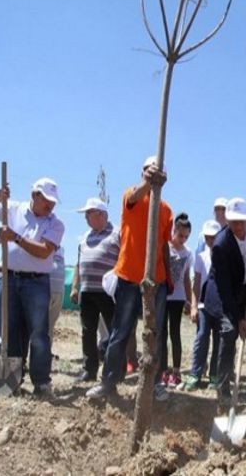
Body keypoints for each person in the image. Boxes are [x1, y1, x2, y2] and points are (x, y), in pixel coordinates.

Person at [86, 156, 172, 402]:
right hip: (129, 277)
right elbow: (135, 195)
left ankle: (155, 383)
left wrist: (168, 278)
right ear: (142, 172)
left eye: (157, 174)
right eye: (147, 171)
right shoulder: (130, 197)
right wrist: (147, 182)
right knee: (120, 331)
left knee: (155, 335)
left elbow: (164, 245)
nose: (152, 176)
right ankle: (108, 382)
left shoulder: (166, 210)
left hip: (156, 281)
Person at [0, 177, 65, 396]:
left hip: (37, 282)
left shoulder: (55, 224)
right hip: (8, 279)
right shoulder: (12, 209)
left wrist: (15, 237)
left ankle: (41, 382)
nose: (50, 205)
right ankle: (12, 382)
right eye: (46, 200)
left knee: (39, 334)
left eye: (53, 202)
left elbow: (44, 251)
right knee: (8, 330)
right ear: (34, 196)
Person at [203, 197, 246, 400]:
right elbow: (224, 288)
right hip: (224, 295)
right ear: (227, 220)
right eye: (234, 222)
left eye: (242, 221)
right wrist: (239, 318)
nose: (239, 226)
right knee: (229, 332)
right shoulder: (220, 246)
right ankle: (223, 389)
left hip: (244, 291)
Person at [70, 197, 119, 382]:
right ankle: (89, 370)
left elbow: (124, 260)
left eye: (88, 213)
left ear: (101, 214)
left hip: (108, 292)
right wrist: (75, 286)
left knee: (115, 332)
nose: (86, 218)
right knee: (87, 331)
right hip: (87, 291)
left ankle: (116, 370)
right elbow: (78, 263)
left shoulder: (117, 234)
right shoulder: (85, 237)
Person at [182, 220, 222, 390]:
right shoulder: (200, 257)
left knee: (219, 341)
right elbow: (196, 282)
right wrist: (193, 306)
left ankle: (215, 375)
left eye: (213, 237)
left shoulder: (225, 257)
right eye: (207, 237)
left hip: (220, 306)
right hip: (203, 305)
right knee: (201, 337)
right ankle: (195, 374)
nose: (210, 240)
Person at [159, 213, 193, 387]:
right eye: (180, 235)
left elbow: (187, 278)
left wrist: (189, 301)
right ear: (174, 230)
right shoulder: (165, 247)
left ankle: (177, 371)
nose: (183, 239)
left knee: (175, 334)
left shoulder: (188, 254)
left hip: (178, 298)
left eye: (186, 237)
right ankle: (163, 370)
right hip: (163, 295)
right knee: (161, 334)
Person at [48, 246, 66, 354]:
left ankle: (47, 352)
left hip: (59, 291)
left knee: (50, 325)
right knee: (40, 325)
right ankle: (37, 354)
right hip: (45, 289)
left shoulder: (61, 250)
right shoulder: (43, 243)